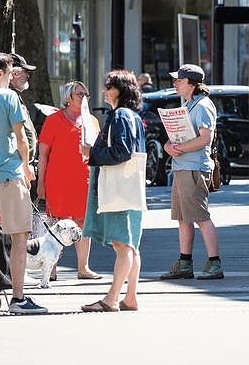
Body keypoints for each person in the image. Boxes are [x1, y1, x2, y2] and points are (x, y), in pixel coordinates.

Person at [0, 52, 47, 315]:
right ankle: (18, 298)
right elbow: (22, 137)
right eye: (10, 71)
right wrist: (26, 165)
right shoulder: (9, 97)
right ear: (1, 73)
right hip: (9, 174)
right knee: (19, 236)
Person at [80, 70, 145, 312]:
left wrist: (92, 153)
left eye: (110, 86)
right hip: (131, 188)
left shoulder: (120, 116)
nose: (105, 90)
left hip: (119, 189)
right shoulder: (133, 116)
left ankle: (111, 299)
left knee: (122, 245)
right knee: (130, 245)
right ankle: (130, 297)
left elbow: (122, 151)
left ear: (121, 90)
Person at [160, 64, 224, 280]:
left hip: (194, 168)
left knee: (200, 217)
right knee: (183, 218)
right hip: (182, 167)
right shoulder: (189, 104)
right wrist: (169, 146)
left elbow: (205, 139)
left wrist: (177, 149)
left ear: (191, 83)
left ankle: (215, 264)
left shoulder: (203, 105)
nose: (175, 84)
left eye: (179, 80)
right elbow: (182, 136)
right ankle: (185, 263)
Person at [37, 81, 101, 281]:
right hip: (58, 181)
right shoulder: (54, 119)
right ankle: (51, 268)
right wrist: (40, 183)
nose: (83, 97)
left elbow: (98, 153)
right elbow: (43, 153)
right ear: (68, 97)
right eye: (78, 93)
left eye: (85, 93)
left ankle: (83, 268)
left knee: (83, 223)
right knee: (57, 223)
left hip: (84, 180)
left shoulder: (91, 121)